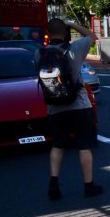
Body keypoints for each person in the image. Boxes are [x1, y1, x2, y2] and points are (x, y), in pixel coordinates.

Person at [43, 18, 102, 199]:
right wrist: (72, 24)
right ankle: (88, 186)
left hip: (55, 106)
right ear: (65, 32)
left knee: (58, 144)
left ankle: (53, 183)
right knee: (84, 146)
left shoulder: (40, 53)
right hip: (79, 105)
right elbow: (92, 36)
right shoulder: (75, 49)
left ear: (49, 32)